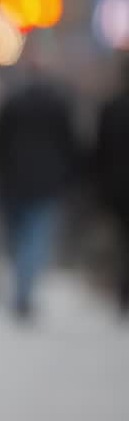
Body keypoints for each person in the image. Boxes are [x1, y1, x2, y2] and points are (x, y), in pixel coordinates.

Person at [0, 50, 79, 321]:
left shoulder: (13, 101)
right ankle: (24, 292)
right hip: (45, 181)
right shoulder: (58, 102)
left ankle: (22, 291)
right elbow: (69, 143)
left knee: (19, 238)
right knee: (35, 237)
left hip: (15, 179)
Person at [95, 60, 129, 318]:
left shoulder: (111, 108)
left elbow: (100, 152)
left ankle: (122, 290)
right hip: (116, 186)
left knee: (121, 241)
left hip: (116, 186)